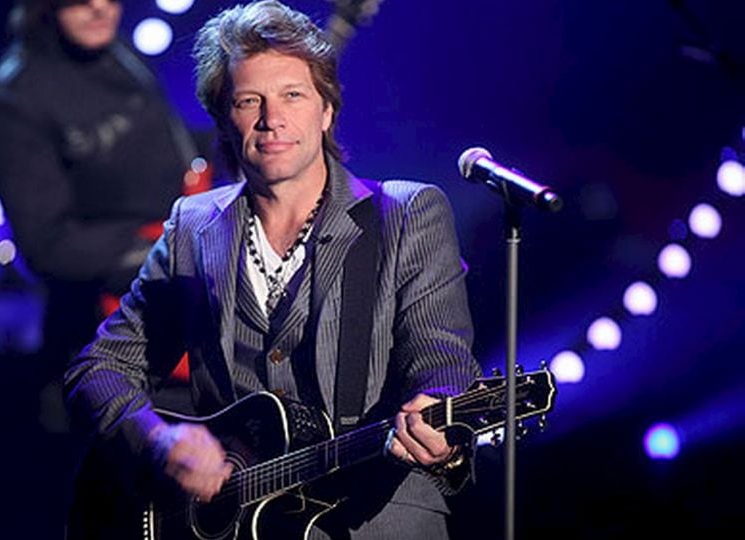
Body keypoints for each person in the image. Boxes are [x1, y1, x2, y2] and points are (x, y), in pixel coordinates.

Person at [64, 1, 482, 538]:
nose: (272, 119)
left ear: (326, 110)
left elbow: (441, 365)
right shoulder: (194, 226)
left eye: (292, 95)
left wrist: (440, 421)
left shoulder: (406, 215)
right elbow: (99, 368)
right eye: (249, 101)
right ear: (224, 118)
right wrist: (158, 440)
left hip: (372, 521)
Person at [0, 0, 207, 421]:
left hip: (173, 308)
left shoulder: (121, 55)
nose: (100, 7)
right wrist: (163, 249)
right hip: (99, 338)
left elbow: (168, 153)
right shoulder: (11, 100)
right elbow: (48, 246)